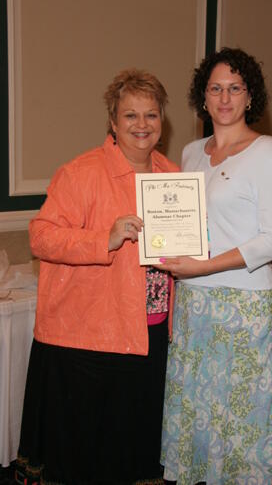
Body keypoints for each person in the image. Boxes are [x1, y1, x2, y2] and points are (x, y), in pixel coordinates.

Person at [15, 69, 179, 485]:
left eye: (151, 115)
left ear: (163, 120)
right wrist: (102, 239)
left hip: (151, 328)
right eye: (130, 116)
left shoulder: (172, 175)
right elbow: (41, 237)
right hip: (92, 334)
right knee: (90, 451)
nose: (142, 125)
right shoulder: (81, 172)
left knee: (134, 443)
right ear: (113, 121)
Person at [158, 48, 272, 484]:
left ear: (250, 96)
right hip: (195, 306)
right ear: (203, 96)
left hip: (244, 306)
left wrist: (204, 267)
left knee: (239, 412)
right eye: (215, 87)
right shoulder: (192, 152)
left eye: (235, 88)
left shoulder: (268, 153)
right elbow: (188, 222)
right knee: (200, 406)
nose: (224, 97)